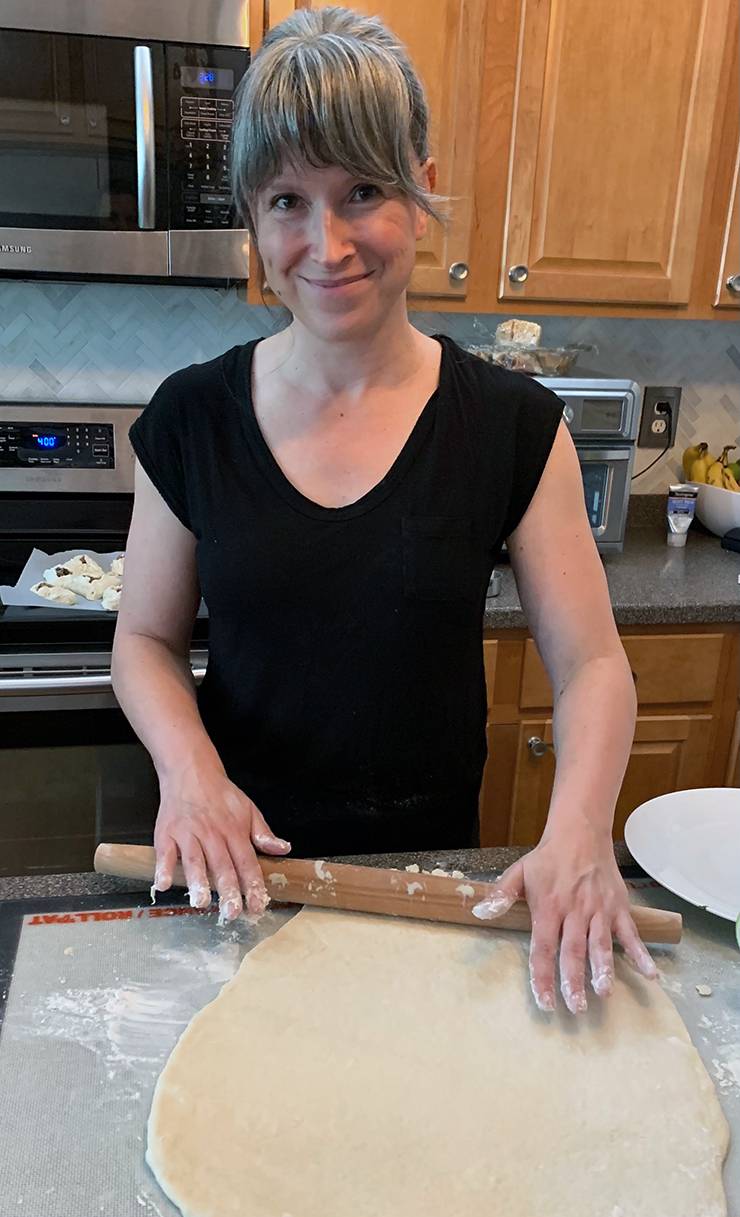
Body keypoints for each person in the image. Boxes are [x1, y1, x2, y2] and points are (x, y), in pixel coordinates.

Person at [111, 6, 657, 1015]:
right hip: (241, 875)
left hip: (434, 887)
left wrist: (577, 834)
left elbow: (591, 663)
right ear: (252, 219)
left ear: (419, 189)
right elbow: (141, 637)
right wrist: (188, 775)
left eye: (361, 191)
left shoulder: (510, 425)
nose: (326, 243)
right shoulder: (190, 417)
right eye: (286, 201)